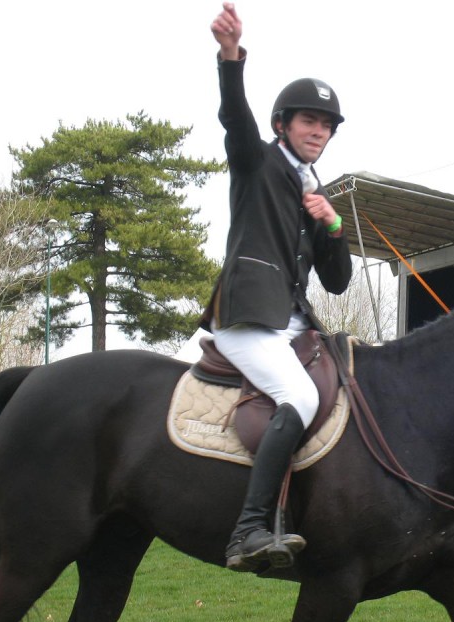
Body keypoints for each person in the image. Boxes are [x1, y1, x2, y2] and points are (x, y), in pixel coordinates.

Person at [203, 2, 352, 571]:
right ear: (283, 125)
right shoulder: (256, 162)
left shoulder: (316, 192)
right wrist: (230, 55)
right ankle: (248, 531)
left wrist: (332, 226)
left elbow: (337, 283)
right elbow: (233, 119)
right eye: (309, 121)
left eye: (327, 125)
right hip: (246, 318)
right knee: (302, 397)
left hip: (294, 325)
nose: (320, 131)